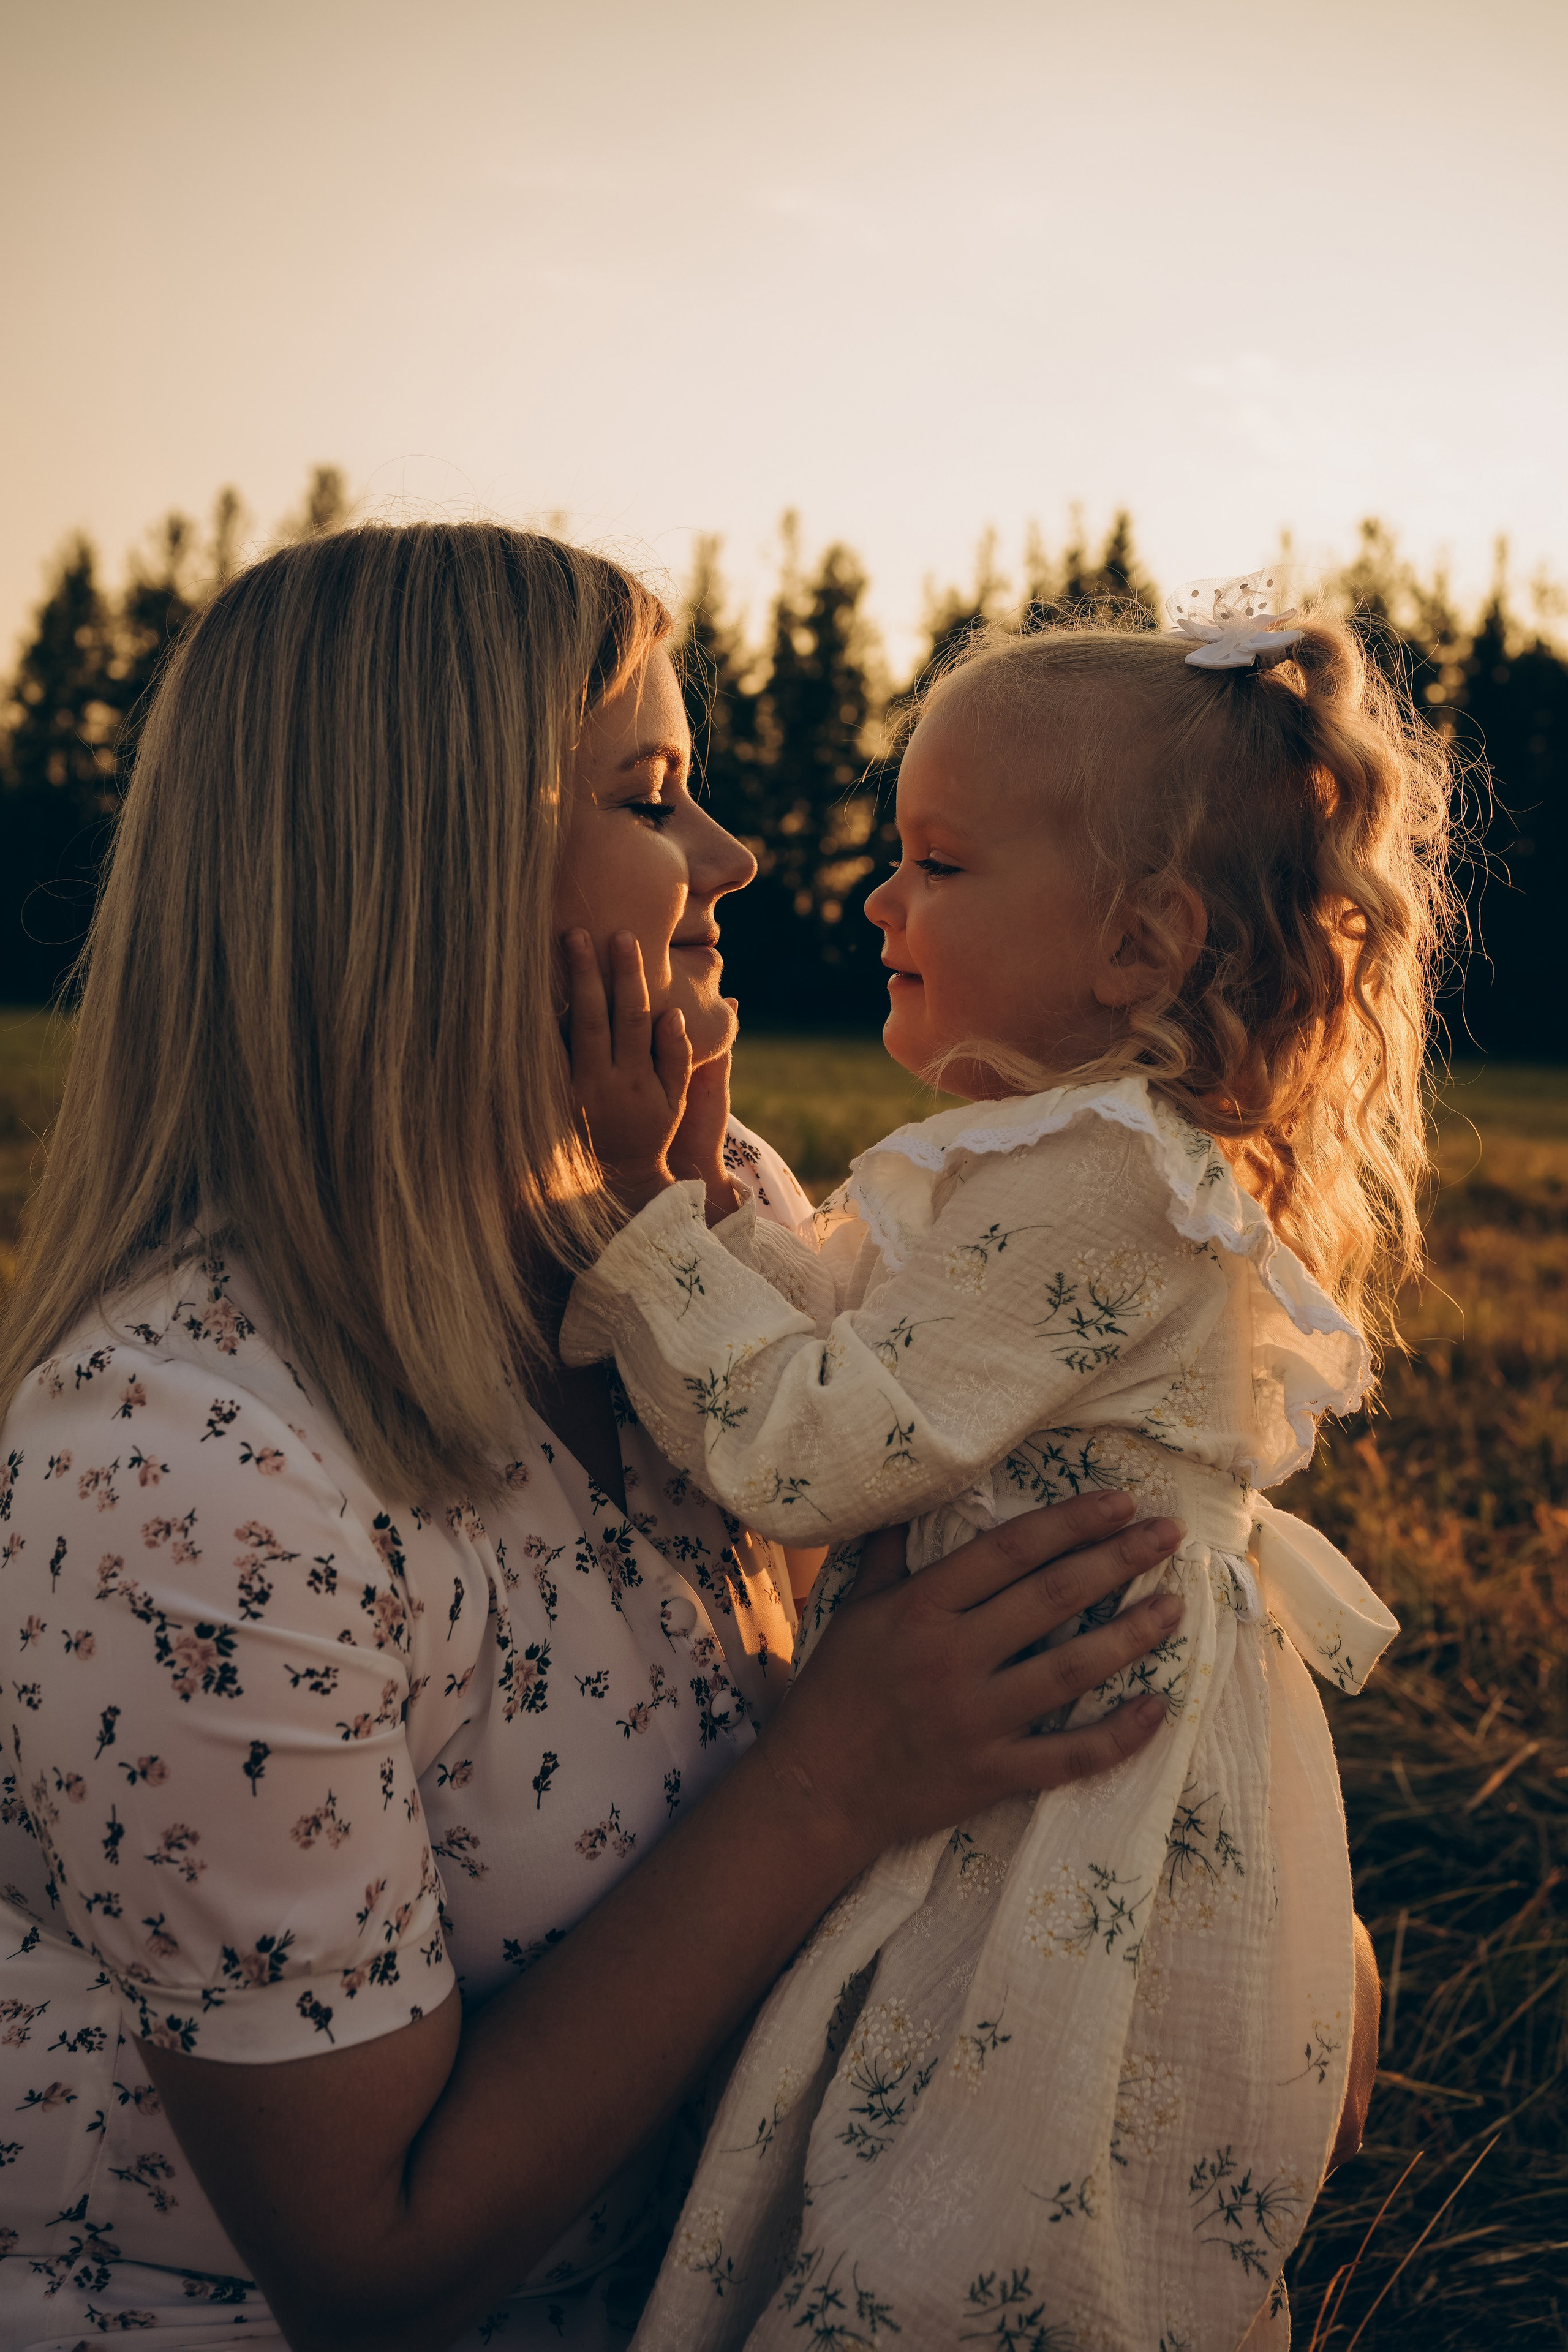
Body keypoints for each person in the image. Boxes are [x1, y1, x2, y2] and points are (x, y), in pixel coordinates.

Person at [0, 522, 1191, 2352]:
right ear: (427, 878)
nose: (732, 860)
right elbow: (371, 2266)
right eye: (653, 799)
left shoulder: (684, 1229)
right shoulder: (181, 1465)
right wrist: (830, 1778)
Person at [557, 578, 1440, 2348]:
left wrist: (637, 1220)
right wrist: (717, 1192)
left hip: (1070, 1777)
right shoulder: (1043, 1153)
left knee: (999, 2151)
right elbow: (876, 1347)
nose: (880, 897)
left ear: (1141, 943)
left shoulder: (1103, 1178)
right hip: (1024, 1723)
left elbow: (812, 1447)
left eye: (941, 865)